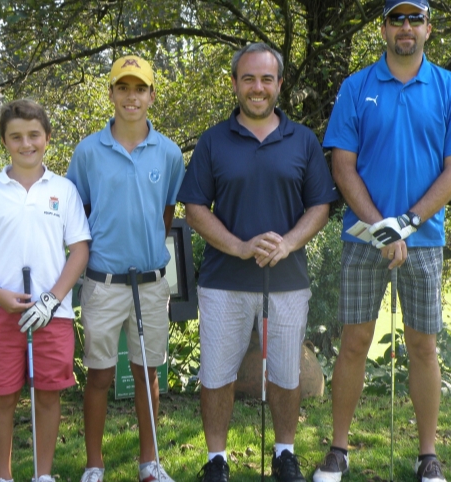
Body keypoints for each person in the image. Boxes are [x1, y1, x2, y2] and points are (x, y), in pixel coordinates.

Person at [312, 1, 451, 481]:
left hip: (423, 240)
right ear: (384, 28)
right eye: (396, 19)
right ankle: (338, 449)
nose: (406, 28)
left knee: (424, 346)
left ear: (428, 27)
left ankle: (428, 455)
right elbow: (342, 165)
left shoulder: (450, 88)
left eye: (415, 19)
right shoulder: (356, 86)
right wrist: (382, 226)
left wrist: (405, 223)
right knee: (354, 342)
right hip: (363, 236)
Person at [177, 42, 340, 482]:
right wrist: (240, 246)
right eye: (248, 78)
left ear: (280, 85)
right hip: (224, 279)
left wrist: (286, 243)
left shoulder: (303, 140)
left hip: (286, 280)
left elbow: (320, 207)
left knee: (287, 374)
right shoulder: (213, 140)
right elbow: (194, 208)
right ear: (234, 83)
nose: (257, 87)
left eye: (267, 79)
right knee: (216, 374)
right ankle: (216, 459)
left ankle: (285, 454)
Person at [66, 55, 185, 482]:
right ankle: (94, 464)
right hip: (103, 282)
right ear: (111, 93)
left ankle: (149, 463)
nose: (131, 97)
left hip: (151, 282)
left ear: (152, 95)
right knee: (98, 374)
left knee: (146, 372)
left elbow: (166, 212)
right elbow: (78, 212)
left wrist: (146, 246)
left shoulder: (169, 153)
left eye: (140, 89)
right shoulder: (88, 151)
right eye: (123, 88)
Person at [0, 99, 91, 482]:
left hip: (53, 312)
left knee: (48, 395)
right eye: (16, 136)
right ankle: (3, 477)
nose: (26, 143)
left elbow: (79, 249)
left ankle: (43, 476)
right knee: (1, 397)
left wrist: (52, 298)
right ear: (4, 141)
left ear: (47, 138)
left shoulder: (64, 190)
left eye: (34, 135)